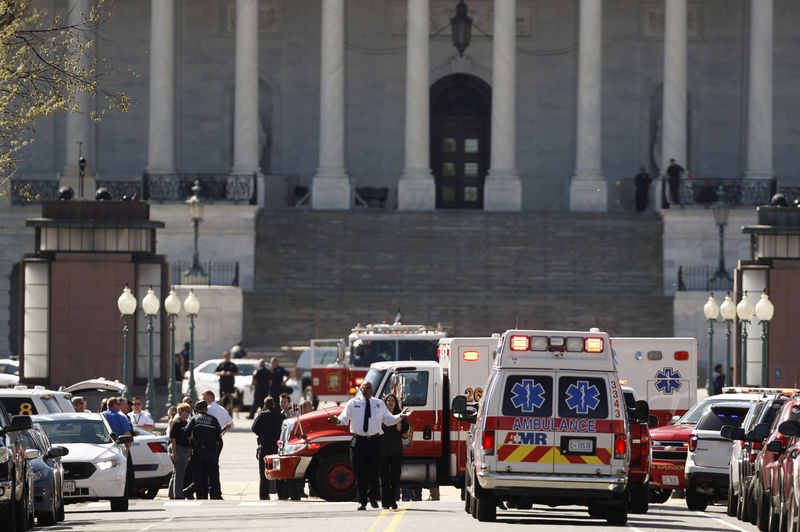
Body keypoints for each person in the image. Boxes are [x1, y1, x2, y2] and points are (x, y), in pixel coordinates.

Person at [329, 381, 411, 510]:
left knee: (374, 471)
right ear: (361, 389)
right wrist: (336, 420)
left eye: (370, 388)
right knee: (359, 472)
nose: (368, 390)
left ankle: (373, 497)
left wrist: (400, 416)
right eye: (365, 388)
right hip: (359, 442)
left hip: (375, 442)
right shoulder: (353, 403)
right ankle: (362, 501)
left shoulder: (379, 404)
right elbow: (343, 419)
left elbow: (389, 420)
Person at [184, 400, 223, 500]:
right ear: (206, 409)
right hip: (211, 452)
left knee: (198, 475)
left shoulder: (194, 419)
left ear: (197, 409)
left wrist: (191, 443)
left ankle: (201, 495)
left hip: (198, 451)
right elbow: (218, 438)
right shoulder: (213, 419)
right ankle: (216, 495)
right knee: (213, 475)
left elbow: (186, 432)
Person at [251, 396, 284, 500]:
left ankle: (264, 495)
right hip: (276, 448)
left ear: (265, 405)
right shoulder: (281, 416)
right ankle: (282, 494)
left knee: (264, 472)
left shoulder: (262, 415)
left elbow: (254, 428)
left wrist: (262, 434)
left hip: (265, 447)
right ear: (274, 404)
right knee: (278, 472)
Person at [102, 397, 135, 497]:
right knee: (126, 472)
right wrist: (128, 448)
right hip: (119, 448)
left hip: (102, 448)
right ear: (115, 405)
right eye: (119, 405)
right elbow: (127, 435)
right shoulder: (121, 416)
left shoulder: (100, 416)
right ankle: (127, 493)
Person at [380, 394, 408, 510]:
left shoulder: (400, 415)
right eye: (388, 401)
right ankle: (385, 502)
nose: (390, 403)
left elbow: (405, 429)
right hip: (383, 451)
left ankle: (393, 500)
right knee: (384, 478)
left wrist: (404, 431)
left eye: (393, 401)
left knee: (395, 477)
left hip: (396, 451)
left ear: (396, 403)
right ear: (385, 403)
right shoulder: (381, 415)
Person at [168, 402, 192, 499]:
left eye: (189, 412)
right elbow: (173, 439)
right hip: (177, 447)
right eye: (186, 411)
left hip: (184, 448)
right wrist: (175, 454)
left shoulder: (185, 423)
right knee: (179, 472)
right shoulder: (176, 422)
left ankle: (171, 494)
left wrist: (189, 452)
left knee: (176, 472)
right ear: (180, 411)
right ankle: (178, 494)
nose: (188, 413)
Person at [202, 390, 233, 454]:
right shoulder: (222, 409)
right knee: (215, 461)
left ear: (210, 397)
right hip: (219, 439)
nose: (203, 401)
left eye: (204, 398)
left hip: (209, 440)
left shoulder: (207, 409)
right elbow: (232, 424)